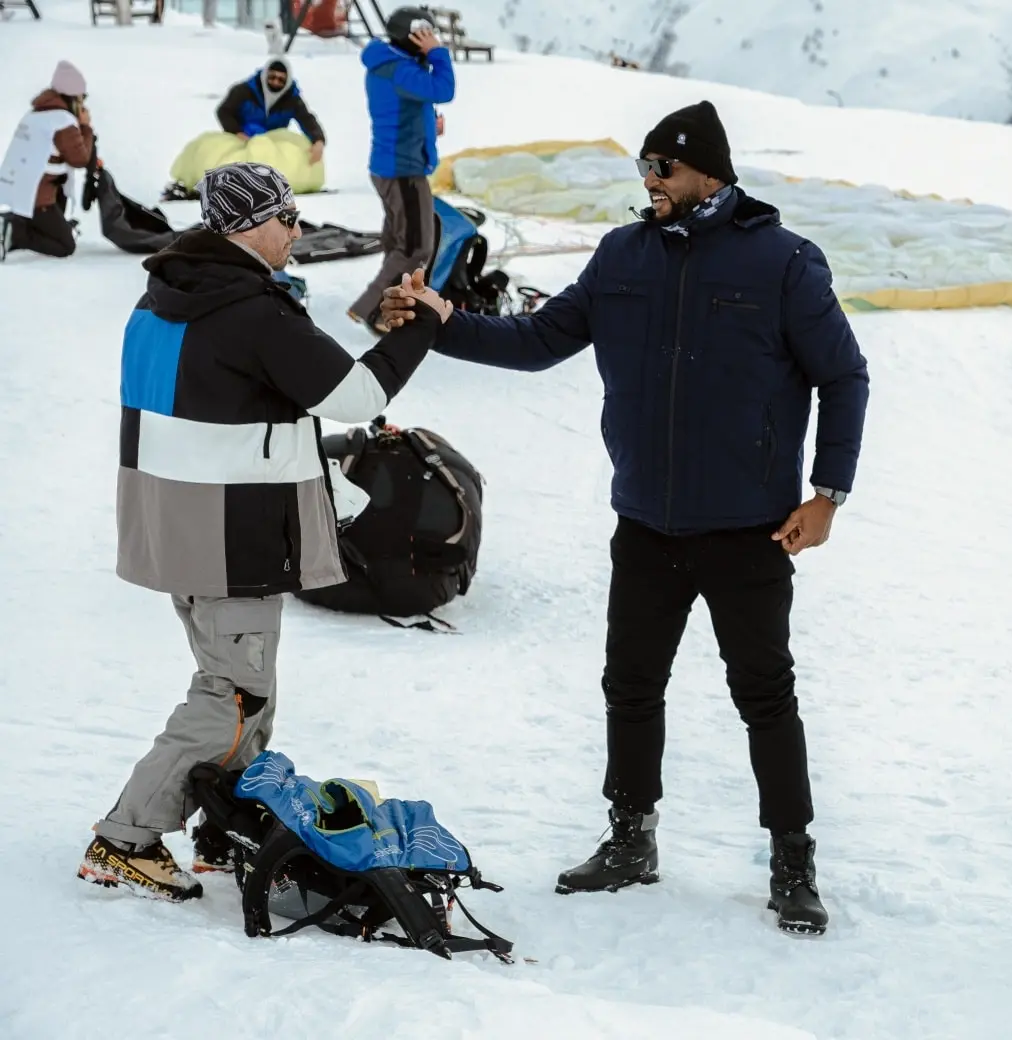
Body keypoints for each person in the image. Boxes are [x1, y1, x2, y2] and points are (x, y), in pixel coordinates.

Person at [379, 100, 870, 935]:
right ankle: (630, 839)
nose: (650, 182)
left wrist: (827, 494)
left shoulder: (782, 261)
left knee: (764, 694)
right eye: (643, 167)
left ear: (709, 173)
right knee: (631, 686)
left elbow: (845, 376)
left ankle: (793, 859)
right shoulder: (624, 255)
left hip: (749, 528)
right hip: (646, 520)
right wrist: (442, 322)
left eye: (665, 168)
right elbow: (537, 342)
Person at [78, 162, 443, 902]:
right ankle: (127, 836)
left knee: (248, 688)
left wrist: (378, 331)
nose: (297, 231)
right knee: (235, 692)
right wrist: (426, 323)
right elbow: (356, 397)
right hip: (227, 533)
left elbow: (259, 381)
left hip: (175, 523)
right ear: (248, 225)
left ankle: (222, 818)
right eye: (286, 218)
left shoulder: (168, 298)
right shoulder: (251, 311)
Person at [347, 5, 454, 334]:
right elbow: (443, 89)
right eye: (426, 34)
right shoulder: (398, 68)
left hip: (392, 164)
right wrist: (438, 53)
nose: (431, 40)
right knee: (415, 246)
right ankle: (369, 307)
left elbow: (406, 106)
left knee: (398, 242)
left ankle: (384, 308)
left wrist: (427, 126)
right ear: (412, 35)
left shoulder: (391, 64)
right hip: (403, 170)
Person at [0, 60, 93, 258]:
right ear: (73, 97)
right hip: (37, 196)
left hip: (20, 189)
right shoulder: (63, 121)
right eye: (82, 97)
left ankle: (20, 222)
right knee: (65, 246)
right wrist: (85, 127)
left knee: (60, 189)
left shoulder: (35, 114)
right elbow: (80, 159)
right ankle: (17, 235)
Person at [215, 58, 327, 166]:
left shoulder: (292, 99)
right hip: (241, 143)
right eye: (272, 77)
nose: (275, 82)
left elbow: (307, 119)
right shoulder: (243, 91)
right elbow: (224, 111)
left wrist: (318, 140)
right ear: (265, 75)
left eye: (281, 80)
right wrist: (237, 132)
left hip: (273, 148)